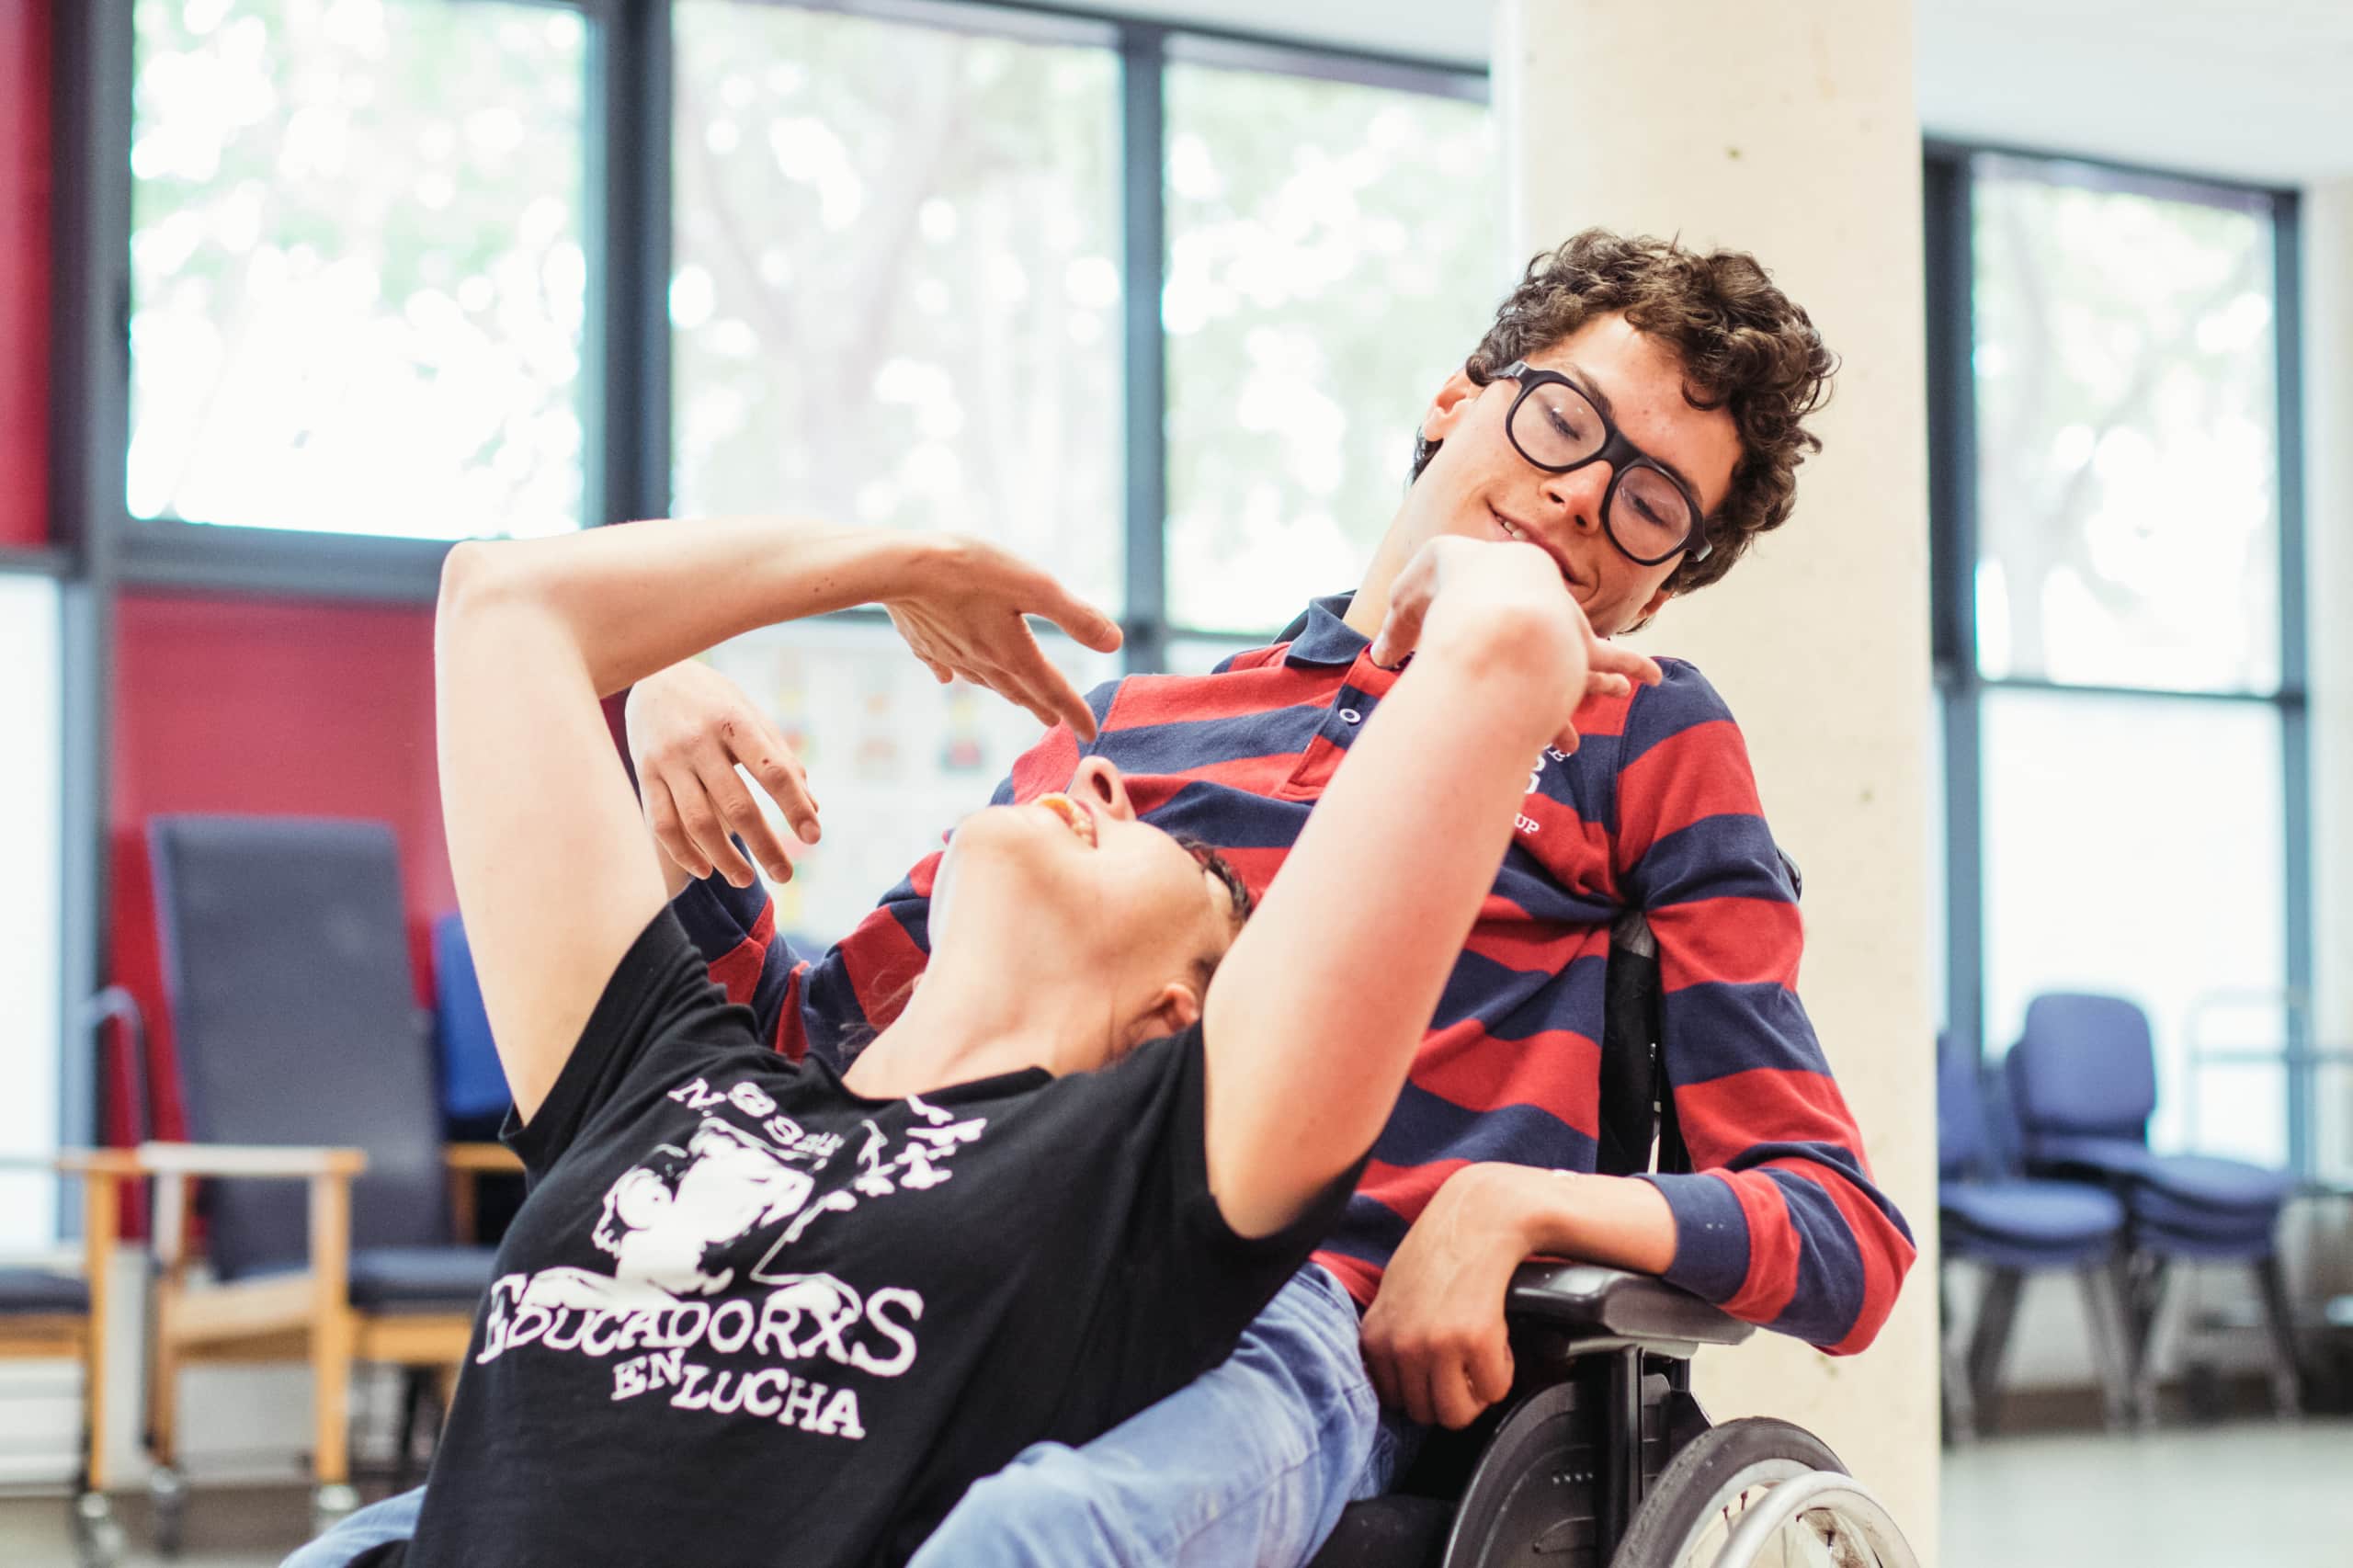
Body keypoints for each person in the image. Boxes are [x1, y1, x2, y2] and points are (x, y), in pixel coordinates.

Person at [294, 230, 1915, 1568]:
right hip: (957, 1241)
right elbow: (816, 1048)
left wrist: (1517, 1204)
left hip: (1279, 1299)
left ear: (1662, 577)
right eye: (1565, 424)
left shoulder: (1640, 734)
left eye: (1651, 505)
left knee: (1036, 1534)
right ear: (1456, 402)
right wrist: (658, 743)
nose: (1582, 499)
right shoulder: (1126, 748)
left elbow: (1839, 1229)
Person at [356, 477, 1653, 1568]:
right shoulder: (666, 1066)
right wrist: (909, 556)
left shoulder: (1146, 1177)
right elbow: (502, 602)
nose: (1097, 774)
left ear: (1174, 1016)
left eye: (1173, 848)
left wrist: (1488, 566)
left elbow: (1507, 656)